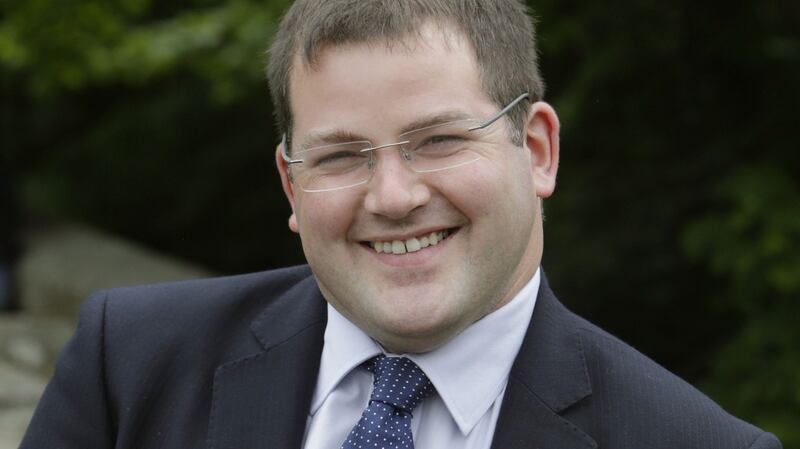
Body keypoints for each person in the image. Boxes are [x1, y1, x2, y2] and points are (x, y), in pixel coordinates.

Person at [20, 1, 782, 448]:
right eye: (342, 154)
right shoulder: (130, 365)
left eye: (440, 140)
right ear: (291, 182)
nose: (392, 195)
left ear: (539, 150)